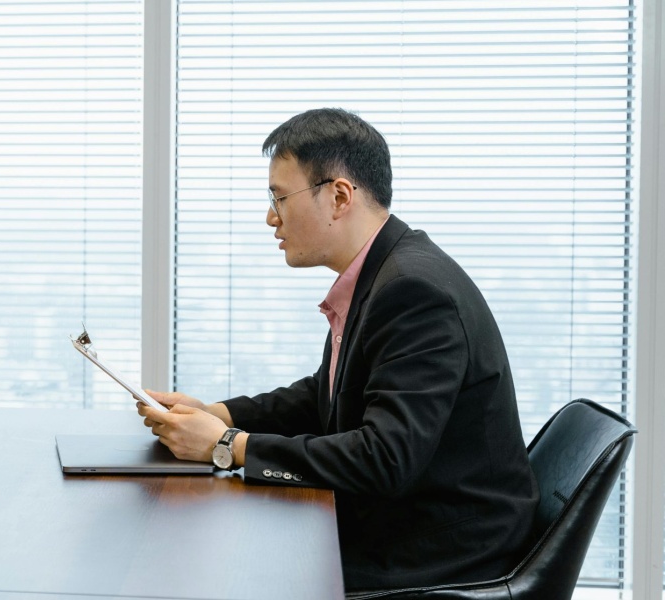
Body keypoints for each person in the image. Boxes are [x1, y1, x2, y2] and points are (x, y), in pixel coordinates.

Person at [138, 108, 538, 591]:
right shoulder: (382, 274)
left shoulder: (413, 291)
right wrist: (216, 414)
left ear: (340, 196)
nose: (271, 217)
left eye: (279, 198)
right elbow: (325, 396)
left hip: (445, 556)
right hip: (409, 525)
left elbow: (384, 458)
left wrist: (229, 446)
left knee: (218, 569)